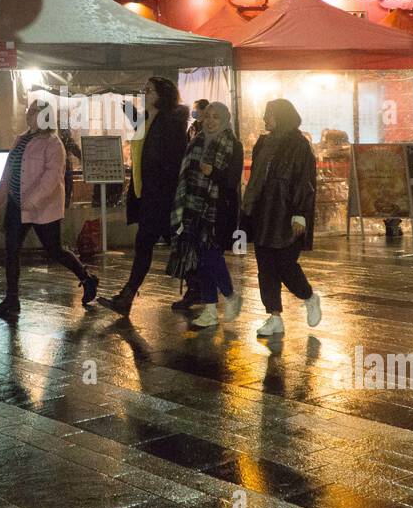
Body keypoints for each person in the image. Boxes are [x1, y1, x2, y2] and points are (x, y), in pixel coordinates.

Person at [0, 100, 98, 318]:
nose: (29, 116)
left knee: (54, 250)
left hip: (42, 208)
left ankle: (87, 278)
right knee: (11, 251)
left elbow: (52, 178)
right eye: (29, 112)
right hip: (15, 205)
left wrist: (32, 201)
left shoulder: (53, 143)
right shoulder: (21, 138)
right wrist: (2, 197)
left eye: (34, 113)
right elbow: (9, 170)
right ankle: (12, 299)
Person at [98, 77, 189, 318]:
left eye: (149, 90)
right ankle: (198, 288)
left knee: (158, 244)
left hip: (161, 196)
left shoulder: (171, 122)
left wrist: (165, 192)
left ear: (163, 95)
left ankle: (127, 297)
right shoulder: (149, 119)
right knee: (163, 244)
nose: (144, 92)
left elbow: (172, 159)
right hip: (147, 193)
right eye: (143, 89)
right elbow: (143, 145)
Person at [243, 99, 320, 337]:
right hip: (262, 212)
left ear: (283, 116)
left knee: (286, 265)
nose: (266, 118)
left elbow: (305, 179)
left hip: (286, 212)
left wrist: (300, 213)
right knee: (265, 267)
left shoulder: (299, 144)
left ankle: (308, 296)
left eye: (270, 114)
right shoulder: (263, 142)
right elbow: (256, 177)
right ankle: (274, 316)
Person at [167, 102, 243, 328]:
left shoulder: (232, 144)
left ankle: (230, 296)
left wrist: (214, 173)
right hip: (193, 207)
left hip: (217, 210)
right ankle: (210, 309)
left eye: (215, 117)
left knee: (211, 256)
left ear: (225, 119)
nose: (210, 121)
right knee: (201, 259)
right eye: (207, 116)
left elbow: (232, 182)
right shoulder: (196, 141)